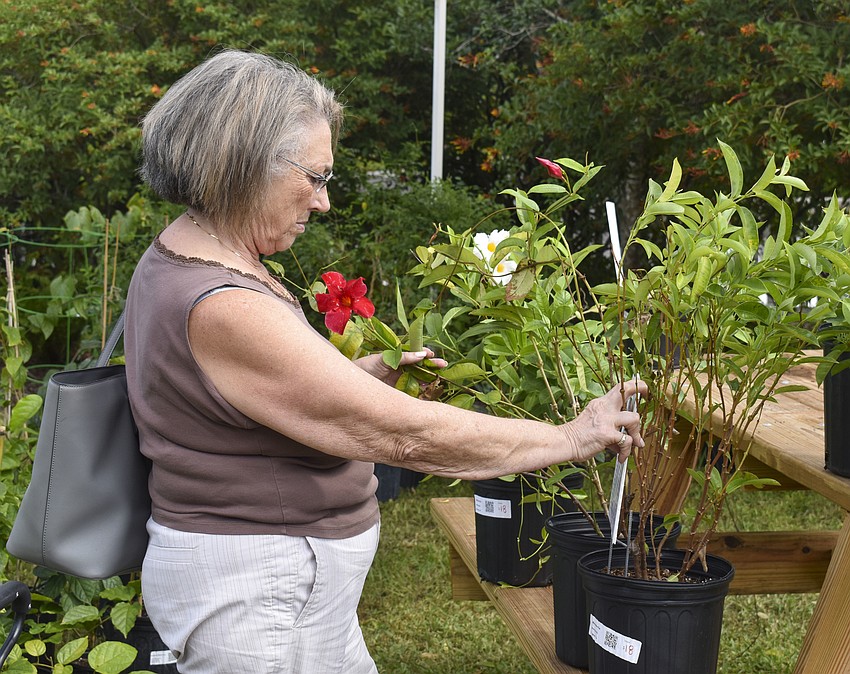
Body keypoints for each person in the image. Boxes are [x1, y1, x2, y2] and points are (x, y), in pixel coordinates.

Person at [125, 49, 647, 674]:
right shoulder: (223, 301)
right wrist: (572, 436)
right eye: (314, 177)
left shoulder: (197, 251)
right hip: (264, 596)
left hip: (285, 591)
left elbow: (245, 399)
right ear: (243, 165)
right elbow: (400, 433)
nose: (321, 202)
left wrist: (355, 375)